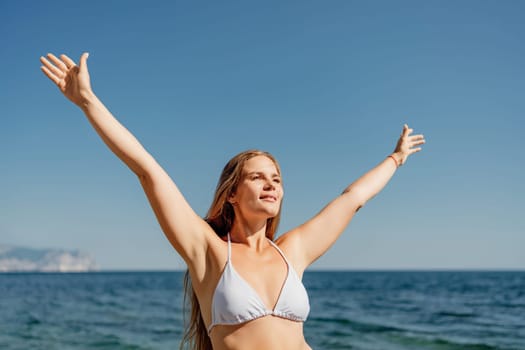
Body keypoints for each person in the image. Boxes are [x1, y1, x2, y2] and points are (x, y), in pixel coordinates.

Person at [40, 52, 425, 350]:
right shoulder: (207, 252)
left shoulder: (293, 251)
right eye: (257, 177)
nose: (271, 184)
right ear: (232, 195)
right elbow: (147, 170)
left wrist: (396, 158)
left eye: (277, 179)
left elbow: (352, 198)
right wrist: (88, 101)